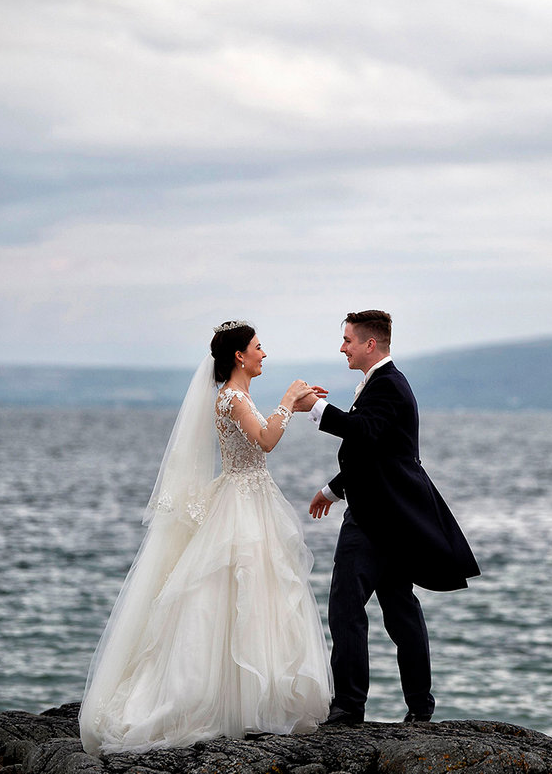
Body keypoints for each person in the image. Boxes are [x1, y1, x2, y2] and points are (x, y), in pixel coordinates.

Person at [80, 321, 332, 755]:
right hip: (241, 501)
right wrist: (290, 400)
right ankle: (228, 702)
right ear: (239, 356)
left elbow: (260, 434)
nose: (263, 354)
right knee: (234, 593)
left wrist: (294, 403)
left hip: (252, 497)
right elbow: (266, 439)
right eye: (258, 347)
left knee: (258, 593)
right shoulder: (232, 397)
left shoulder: (240, 396)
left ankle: (256, 699)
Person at [306, 310, 479, 725]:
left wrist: (316, 407)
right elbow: (376, 455)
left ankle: (349, 706)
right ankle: (419, 708)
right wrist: (332, 489)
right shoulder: (383, 383)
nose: (342, 347)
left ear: (370, 344)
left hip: (372, 521)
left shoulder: (388, 385)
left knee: (347, 609)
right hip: (393, 520)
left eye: (348, 340)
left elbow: (362, 432)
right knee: (400, 612)